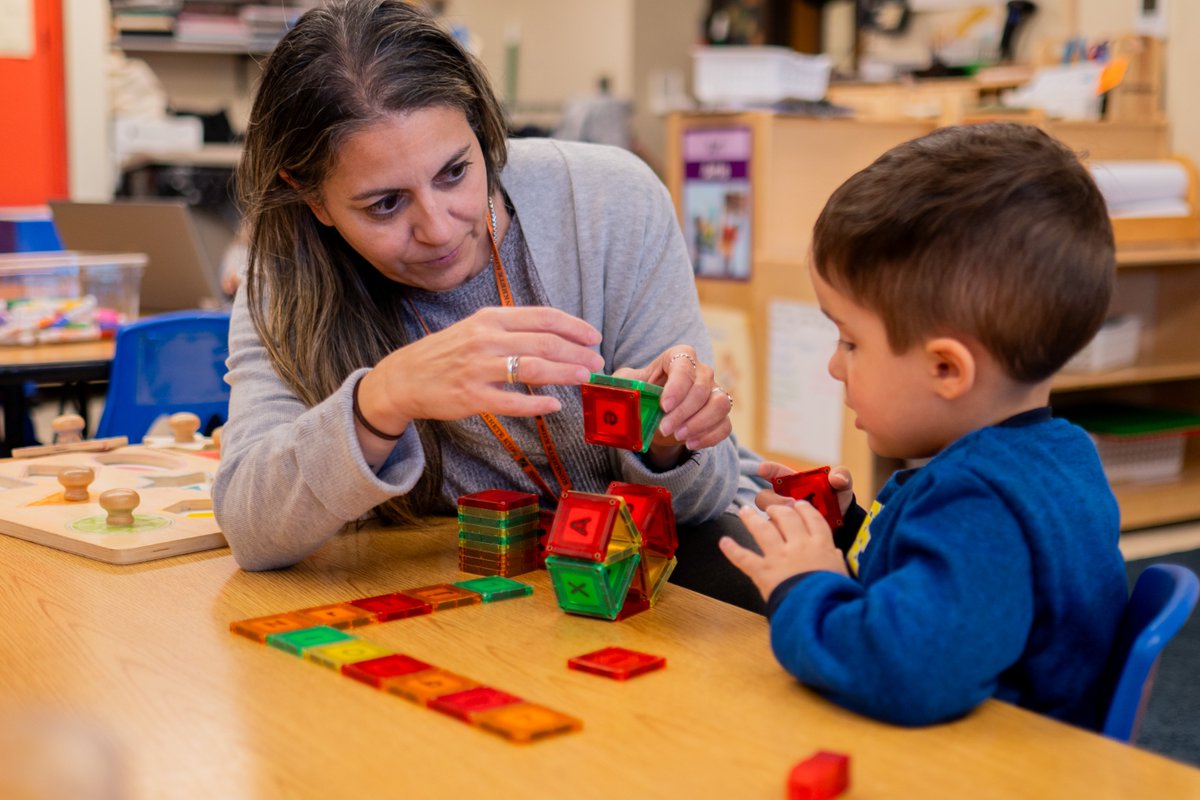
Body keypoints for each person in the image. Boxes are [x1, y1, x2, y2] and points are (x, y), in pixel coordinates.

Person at [213, 0, 749, 582]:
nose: (440, 228)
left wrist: (668, 443)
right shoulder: (286, 273)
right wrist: (384, 397)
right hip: (481, 611)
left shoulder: (611, 202)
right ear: (312, 198)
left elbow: (705, 501)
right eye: (385, 204)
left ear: (480, 129)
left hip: (659, 585)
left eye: (455, 173)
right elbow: (251, 526)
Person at [719, 123, 1128, 727]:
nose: (834, 366)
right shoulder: (1059, 451)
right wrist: (851, 531)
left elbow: (904, 672)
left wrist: (805, 585)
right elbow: (942, 585)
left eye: (850, 341)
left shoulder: (976, 502)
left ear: (945, 368)